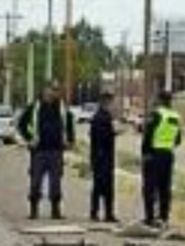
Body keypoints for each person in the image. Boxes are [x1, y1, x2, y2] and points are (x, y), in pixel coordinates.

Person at [18, 82, 76, 220]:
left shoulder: (61, 108)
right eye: (51, 90)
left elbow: (69, 124)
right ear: (44, 90)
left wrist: (70, 141)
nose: (54, 93)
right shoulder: (35, 107)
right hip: (39, 151)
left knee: (55, 182)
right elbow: (21, 124)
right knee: (36, 181)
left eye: (56, 90)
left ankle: (55, 210)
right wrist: (29, 139)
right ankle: (33, 210)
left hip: (56, 150)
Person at [141, 91, 183, 227]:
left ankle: (149, 218)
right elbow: (178, 140)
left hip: (154, 155)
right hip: (168, 155)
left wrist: (145, 153)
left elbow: (148, 135)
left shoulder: (156, 114)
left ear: (159, 100)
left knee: (150, 187)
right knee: (165, 188)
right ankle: (164, 217)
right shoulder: (176, 117)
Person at [89, 93, 119, 223]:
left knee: (107, 186)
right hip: (101, 157)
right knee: (100, 185)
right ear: (105, 103)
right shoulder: (100, 117)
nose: (113, 106)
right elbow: (100, 137)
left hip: (104, 156)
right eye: (112, 103)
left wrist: (113, 133)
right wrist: (112, 133)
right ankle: (96, 212)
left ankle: (107, 213)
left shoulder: (105, 116)